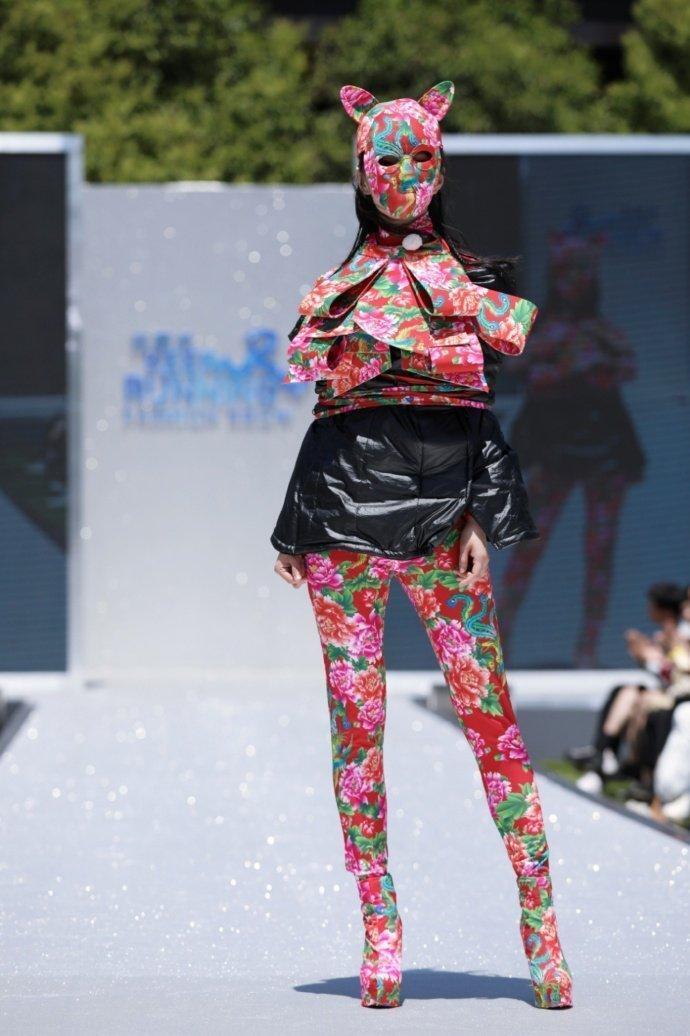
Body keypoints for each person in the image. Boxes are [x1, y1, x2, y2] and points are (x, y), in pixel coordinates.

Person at [270, 81, 572, 1011]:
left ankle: (543, 929)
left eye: (420, 158)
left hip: (444, 523)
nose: (404, 174)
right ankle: (380, 933)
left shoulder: (467, 287)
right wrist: (294, 522)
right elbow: (329, 416)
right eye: (387, 158)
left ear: (440, 168)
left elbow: (480, 409)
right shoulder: (336, 290)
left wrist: (480, 513)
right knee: (356, 734)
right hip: (341, 524)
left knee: (492, 723)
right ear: (363, 170)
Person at [569, 582, 690, 794]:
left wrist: (652, 658)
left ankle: (633, 774)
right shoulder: (672, 634)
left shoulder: (680, 636)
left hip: (681, 699)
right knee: (624, 691)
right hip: (674, 694)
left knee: (643, 703)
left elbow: (680, 672)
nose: (684, 608)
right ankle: (603, 756)